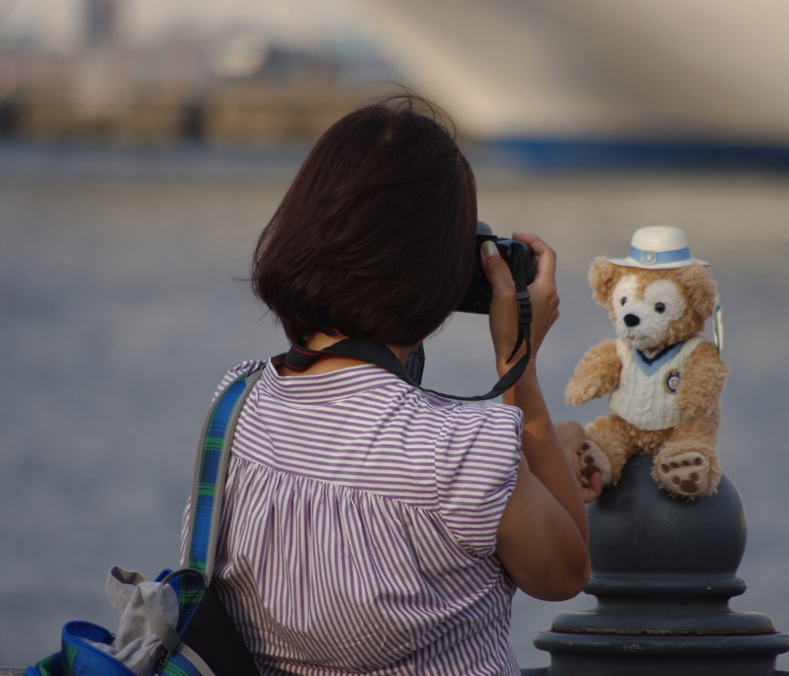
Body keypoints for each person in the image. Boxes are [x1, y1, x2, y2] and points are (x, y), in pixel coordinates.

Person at [182, 95, 601, 676]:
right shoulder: (461, 449)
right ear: (441, 271)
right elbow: (566, 572)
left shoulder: (238, 404)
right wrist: (518, 360)